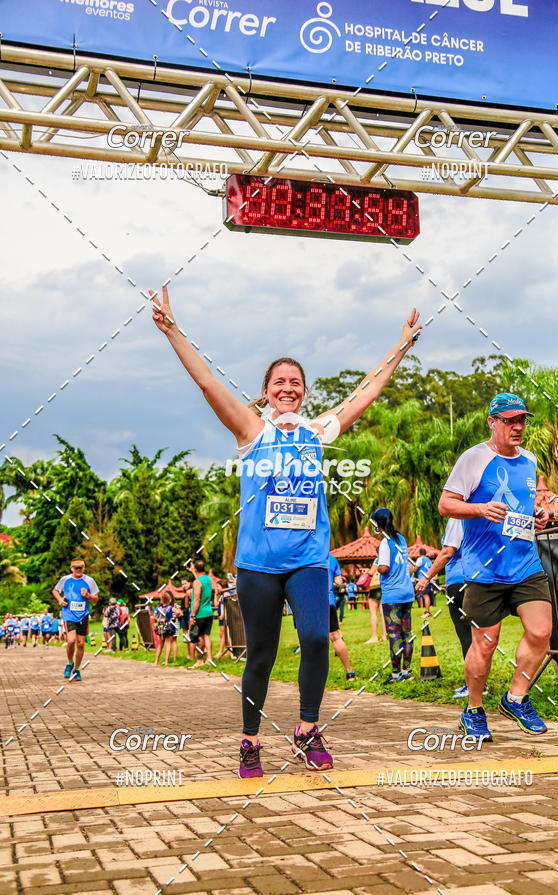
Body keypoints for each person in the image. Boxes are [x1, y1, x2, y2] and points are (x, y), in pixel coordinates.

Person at [152, 284, 421, 777]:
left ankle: (306, 729)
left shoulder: (319, 434)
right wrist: (172, 331)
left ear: (305, 391)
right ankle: (250, 741)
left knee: (317, 639)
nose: (288, 388)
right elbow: (209, 384)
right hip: (258, 566)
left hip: (309, 562)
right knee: (262, 654)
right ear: (268, 391)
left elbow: (368, 390)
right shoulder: (252, 432)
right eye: (280, 381)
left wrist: (401, 345)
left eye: (296, 382)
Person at [439, 392, 552, 741]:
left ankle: (515, 697)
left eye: (522, 421)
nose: (518, 427)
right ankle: (473, 710)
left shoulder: (530, 460)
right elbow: (446, 504)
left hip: (524, 563)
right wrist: (481, 508)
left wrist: (538, 515)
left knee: (541, 632)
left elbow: (524, 504)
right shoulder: (473, 459)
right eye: (510, 421)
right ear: (493, 422)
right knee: (485, 644)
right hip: (483, 568)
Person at [415, 518, 478, 700]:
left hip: (457, 582)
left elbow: (447, 553)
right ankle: (478, 683)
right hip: (474, 579)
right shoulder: (475, 519)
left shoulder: (456, 519)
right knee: (475, 635)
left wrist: (426, 577)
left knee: (466, 635)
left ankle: (475, 685)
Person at [372, 508, 415, 684]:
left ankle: (396, 674)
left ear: (378, 524)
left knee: (394, 634)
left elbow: (384, 567)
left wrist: (376, 565)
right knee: (407, 633)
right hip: (407, 592)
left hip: (392, 594)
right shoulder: (401, 538)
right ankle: (407, 670)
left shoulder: (384, 543)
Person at [52, 559, 99, 681]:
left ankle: (77, 669)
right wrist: (60, 600)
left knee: (81, 644)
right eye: (76, 568)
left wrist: (88, 595)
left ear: (84, 568)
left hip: (83, 615)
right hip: (69, 615)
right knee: (71, 641)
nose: (78, 570)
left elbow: (96, 598)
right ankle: (69, 663)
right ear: (71, 568)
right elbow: (55, 590)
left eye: (81, 567)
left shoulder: (89, 581)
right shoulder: (65, 579)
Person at [327, 553, 356, 681]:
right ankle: (349, 672)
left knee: (309, 640)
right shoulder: (332, 559)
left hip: (308, 603)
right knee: (336, 637)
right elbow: (339, 582)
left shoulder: (304, 553)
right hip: (328, 601)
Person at [188, 559, 214, 668]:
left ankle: (199, 661)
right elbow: (199, 580)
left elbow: (197, 599)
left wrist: (193, 615)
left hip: (200, 613)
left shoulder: (197, 582)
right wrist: (193, 571)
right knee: (206, 636)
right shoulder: (208, 579)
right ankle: (209, 658)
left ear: (196, 569)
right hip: (209, 611)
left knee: (199, 638)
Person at [152, 590, 180, 666]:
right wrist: (173, 618)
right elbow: (178, 612)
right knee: (168, 644)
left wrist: (157, 619)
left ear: (161, 600)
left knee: (160, 645)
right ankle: (166, 661)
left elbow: (154, 617)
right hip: (169, 628)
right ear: (170, 600)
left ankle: (156, 661)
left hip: (161, 628)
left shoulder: (158, 609)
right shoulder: (170, 608)